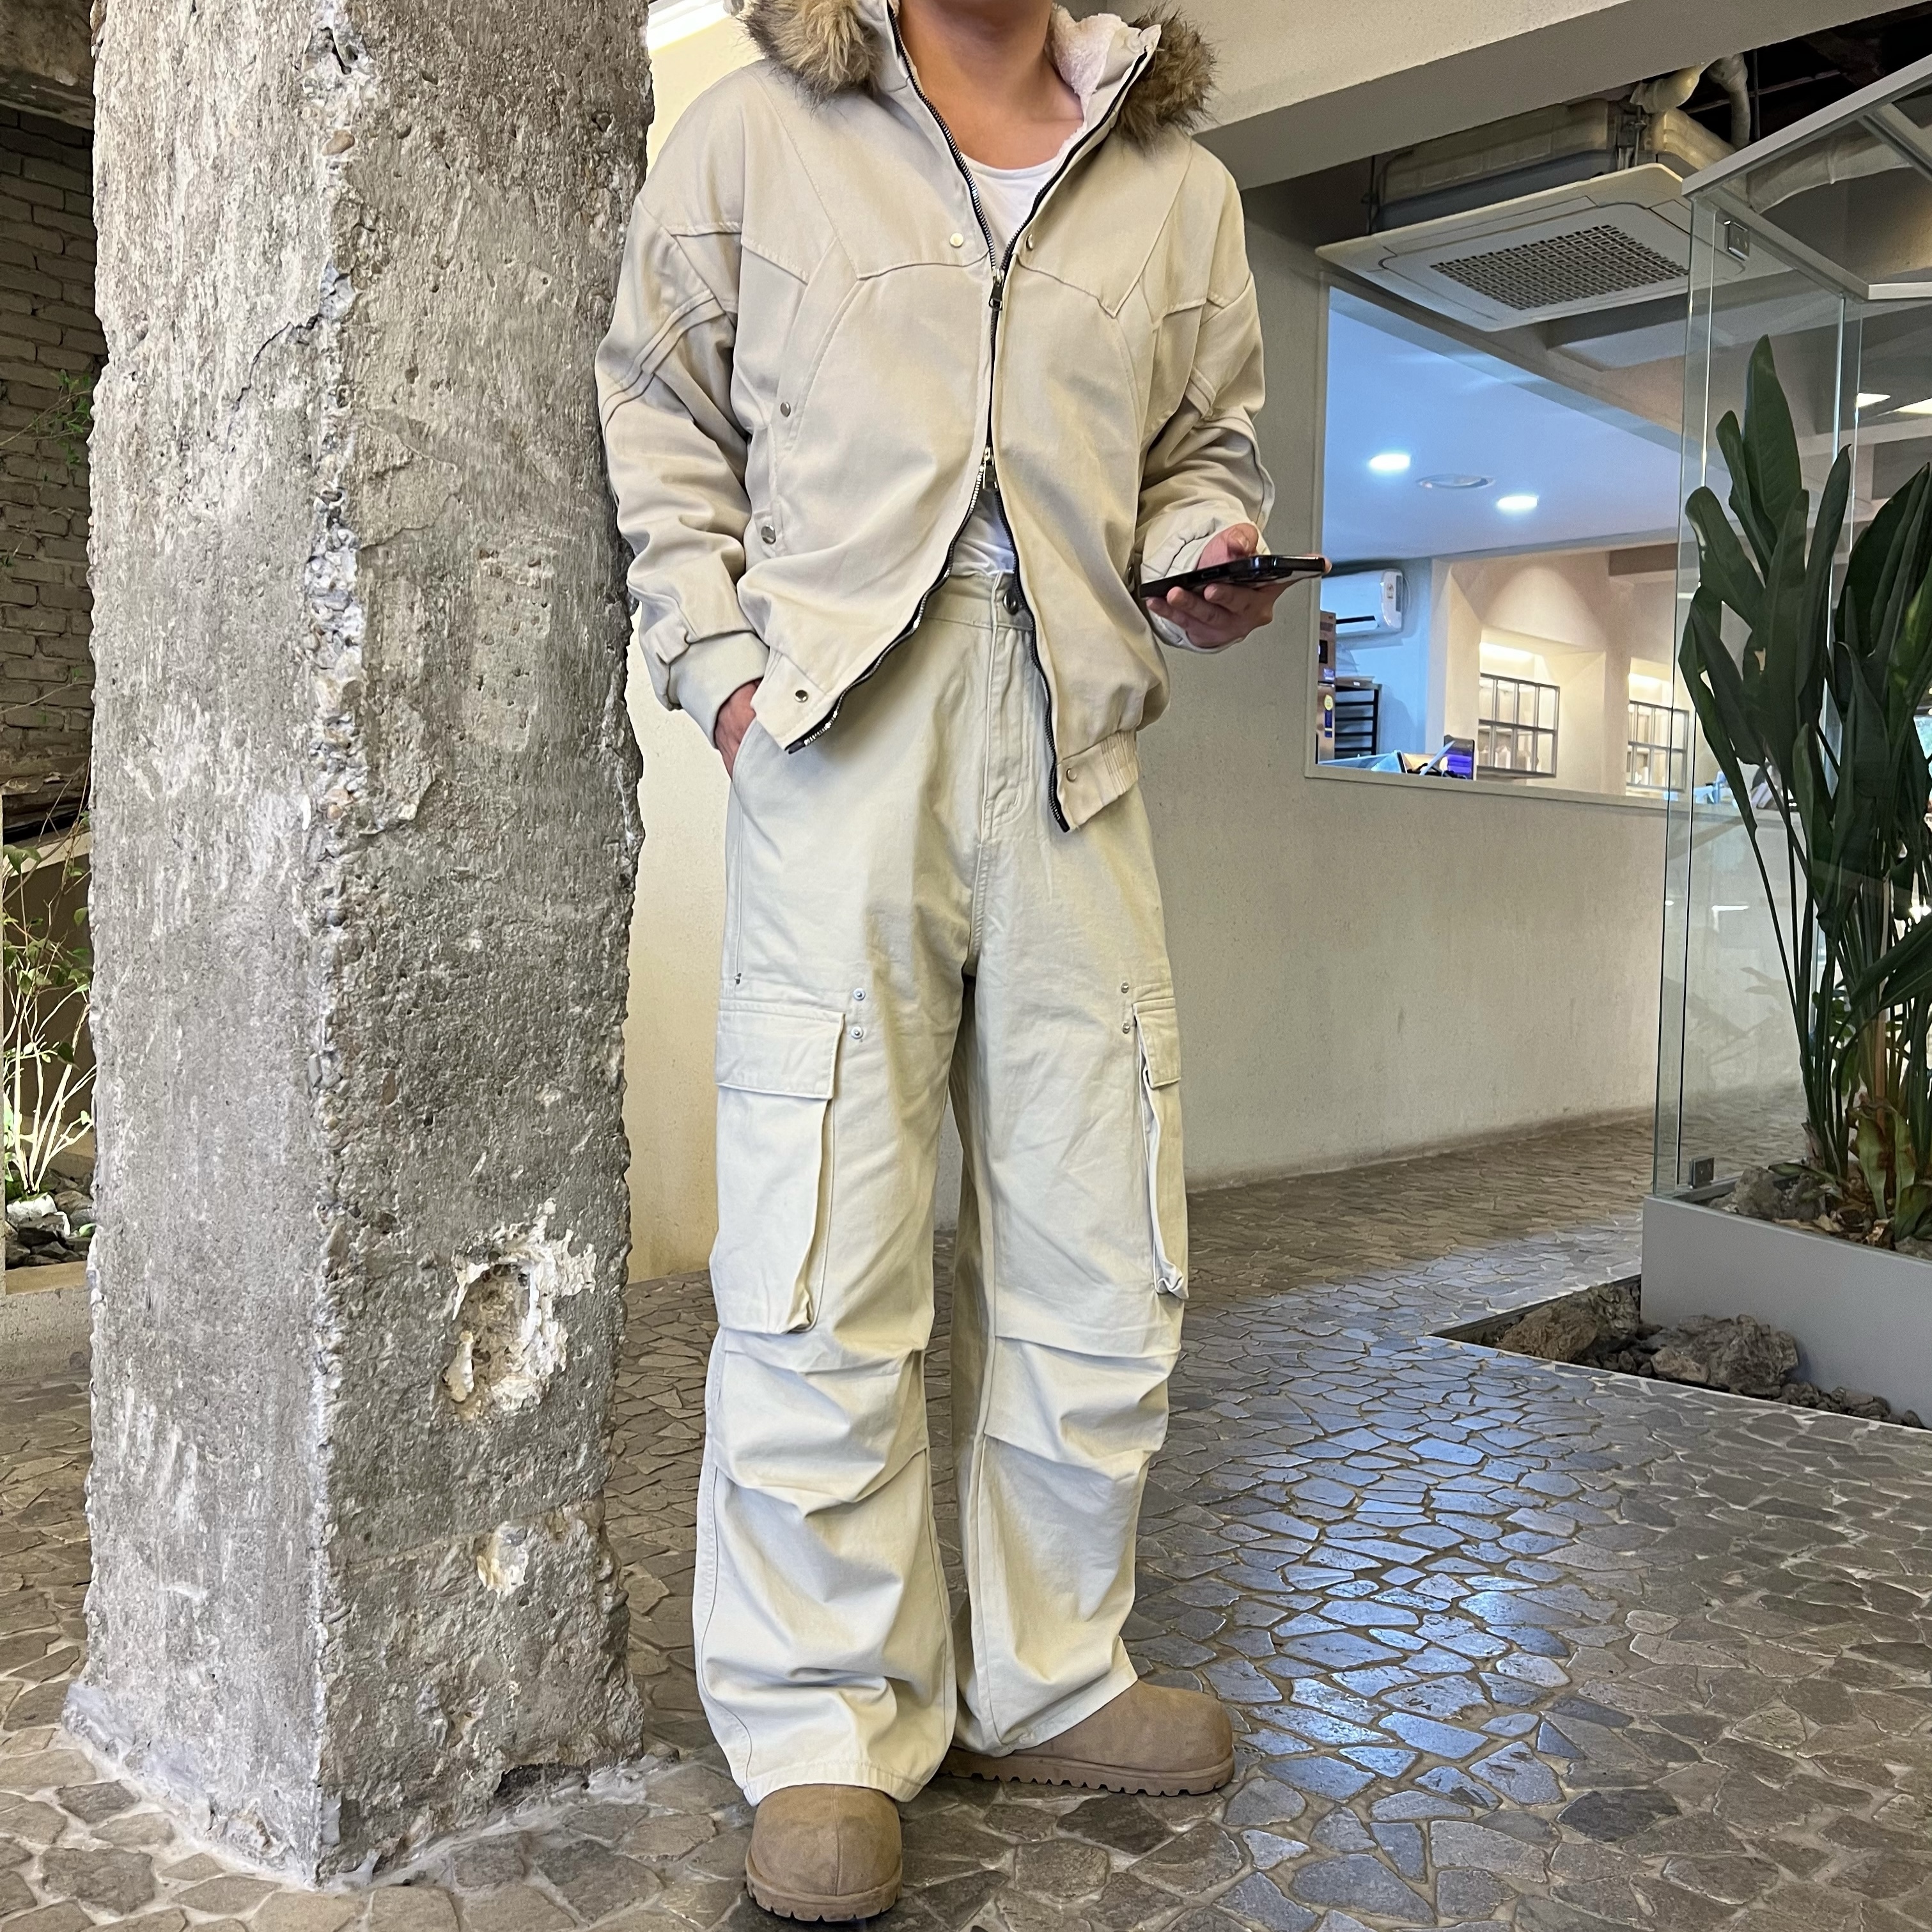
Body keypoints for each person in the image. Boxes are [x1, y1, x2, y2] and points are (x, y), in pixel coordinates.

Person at [597, 0, 1283, 1915]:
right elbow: (660, 410)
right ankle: (824, 1725)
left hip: (1078, 748)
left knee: (1098, 1228)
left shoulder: (1181, 186)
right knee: (825, 1233)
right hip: (838, 738)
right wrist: (729, 684)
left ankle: (1052, 1673)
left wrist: (1205, 546)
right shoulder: (754, 131)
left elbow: (1204, 448)